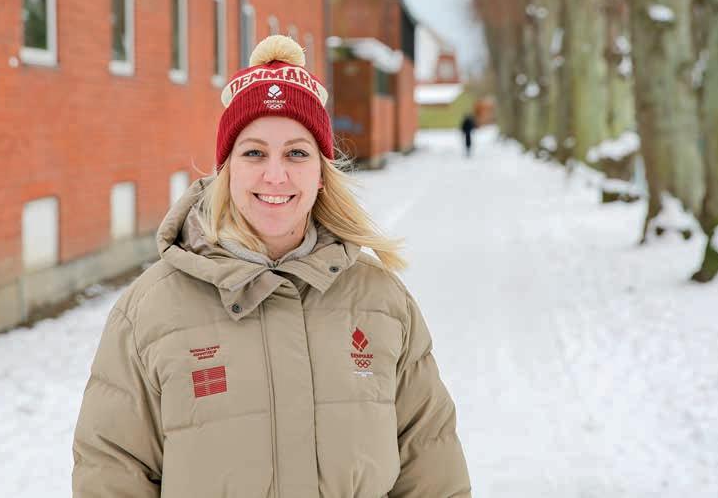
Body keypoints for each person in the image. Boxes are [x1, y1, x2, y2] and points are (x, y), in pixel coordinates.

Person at [72, 35, 471, 497]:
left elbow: (432, 467)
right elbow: (111, 472)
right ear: (227, 170)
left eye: (297, 153)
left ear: (321, 174)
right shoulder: (150, 310)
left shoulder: (381, 302)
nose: (275, 175)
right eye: (254, 153)